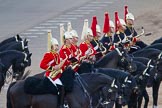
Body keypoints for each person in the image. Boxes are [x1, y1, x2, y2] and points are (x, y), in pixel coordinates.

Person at [40, 30, 67, 108]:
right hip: (51, 76)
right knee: (61, 87)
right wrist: (52, 68)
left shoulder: (57, 54)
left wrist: (63, 64)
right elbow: (42, 65)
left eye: (58, 46)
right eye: (56, 45)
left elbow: (59, 65)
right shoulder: (48, 54)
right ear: (52, 46)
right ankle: (60, 105)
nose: (57, 47)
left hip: (58, 74)